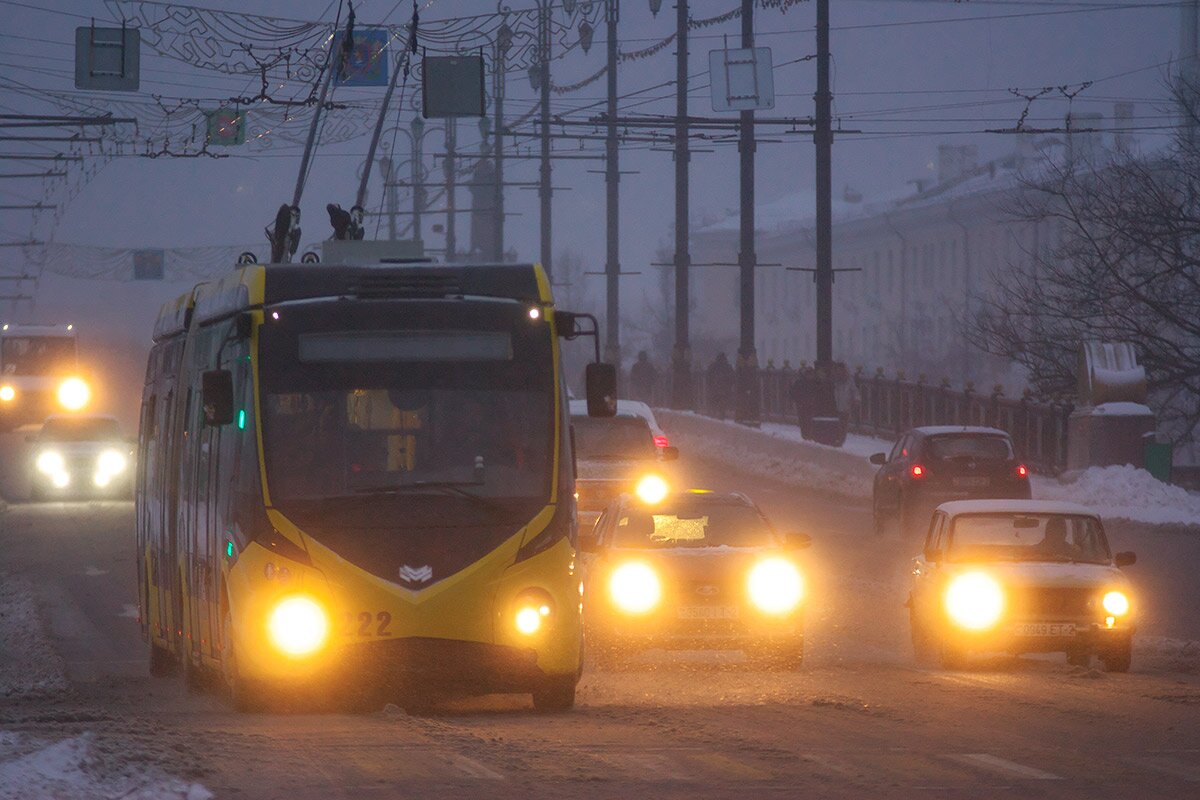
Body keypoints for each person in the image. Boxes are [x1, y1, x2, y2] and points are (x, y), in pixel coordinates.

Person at [706, 352, 735, 420]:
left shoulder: (712, 366)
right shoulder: (728, 366)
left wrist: (710, 385)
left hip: (714, 389)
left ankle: (713, 415)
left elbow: (708, 377)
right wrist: (729, 385)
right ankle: (721, 415)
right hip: (725, 389)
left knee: (714, 402)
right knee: (722, 403)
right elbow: (733, 378)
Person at [789, 365, 816, 439]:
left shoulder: (813, 383)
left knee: (808, 421)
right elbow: (792, 393)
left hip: (809, 406)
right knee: (803, 421)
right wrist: (798, 401)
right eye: (809, 374)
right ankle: (805, 436)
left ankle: (808, 436)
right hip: (802, 406)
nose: (810, 376)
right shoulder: (800, 382)